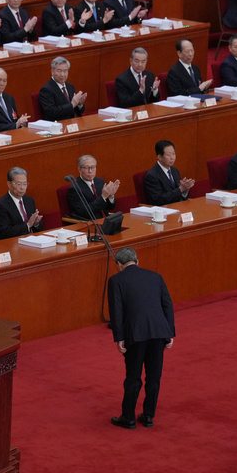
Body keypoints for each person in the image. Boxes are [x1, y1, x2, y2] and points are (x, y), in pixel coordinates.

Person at [108, 247, 175, 430]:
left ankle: (128, 417)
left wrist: (119, 337)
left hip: (135, 335)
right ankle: (148, 416)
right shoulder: (156, 277)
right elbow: (167, 305)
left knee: (133, 377)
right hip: (159, 333)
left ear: (119, 265)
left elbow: (117, 312)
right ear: (137, 261)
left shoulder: (116, 280)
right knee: (154, 377)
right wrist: (169, 332)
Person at [0, 167, 43, 239]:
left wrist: (36, 223)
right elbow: (4, 232)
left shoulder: (29, 200)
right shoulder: (1, 205)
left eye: (25, 184)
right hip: (15, 244)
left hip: (33, 239)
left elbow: (38, 228)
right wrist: (28, 225)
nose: (22, 188)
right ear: (9, 184)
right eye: (19, 184)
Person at [67, 154, 118, 220]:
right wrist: (103, 197)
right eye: (86, 168)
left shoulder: (100, 182)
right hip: (91, 224)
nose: (90, 171)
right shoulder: (75, 189)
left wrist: (111, 196)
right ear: (79, 169)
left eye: (93, 167)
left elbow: (110, 208)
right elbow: (86, 213)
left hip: (106, 221)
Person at [144, 140, 194, 205]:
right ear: (159, 157)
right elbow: (159, 200)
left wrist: (185, 190)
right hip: (163, 211)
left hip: (178, 207)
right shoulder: (152, 176)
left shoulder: (175, 171)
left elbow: (179, 195)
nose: (172, 158)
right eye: (169, 155)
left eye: (173, 154)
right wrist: (180, 189)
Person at [38, 56, 86, 121]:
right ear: (52, 72)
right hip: (59, 124)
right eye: (59, 71)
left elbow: (78, 111)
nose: (62, 74)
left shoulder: (70, 87)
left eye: (65, 71)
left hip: (75, 122)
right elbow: (52, 113)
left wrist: (79, 104)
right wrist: (72, 104)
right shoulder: (46, 90)